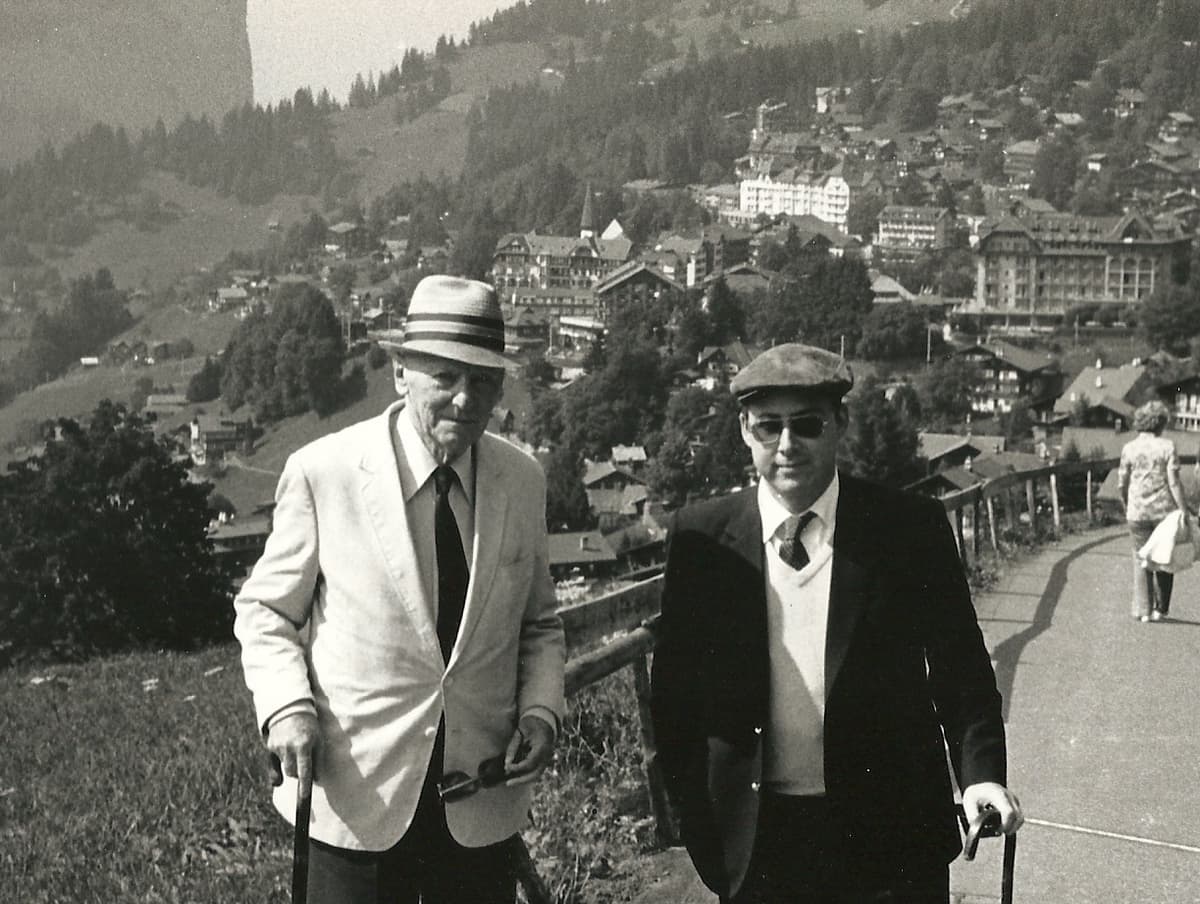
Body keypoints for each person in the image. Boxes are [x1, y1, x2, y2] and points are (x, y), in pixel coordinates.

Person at [650, 343, 1022, 904]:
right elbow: (674, 697)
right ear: (744, 431)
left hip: (891, 840)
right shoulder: (701, 539)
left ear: (840, 423)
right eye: (768, 427)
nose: (787, 445)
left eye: (806, 425)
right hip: (756, 843)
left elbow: (960, 668)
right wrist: (695, 819)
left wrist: (981, 775)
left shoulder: (907, 530)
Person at [234, 275, 566, 904]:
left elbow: (541, 624)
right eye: (444, 377)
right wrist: (286, 707)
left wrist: (541, 712)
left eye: (484, 382)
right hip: (356, 805)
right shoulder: (324, 473)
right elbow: (266, 611)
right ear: (400, 373)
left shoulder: (522, 479)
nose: (466, 400)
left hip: (479, 804)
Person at [1118, 399, 1191, 623]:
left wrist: (1126, 503)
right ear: (1160, 423)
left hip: (1137, 512)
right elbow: (1174, 483)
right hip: (1164, 513)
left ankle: (1144, 611)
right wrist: (1184, 509)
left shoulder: (1129, 448)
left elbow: (1122, 482)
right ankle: (1161, 609)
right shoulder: (1167, 446)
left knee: (1142, 558)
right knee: (1164, 558)